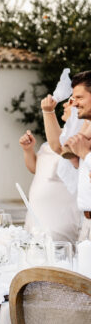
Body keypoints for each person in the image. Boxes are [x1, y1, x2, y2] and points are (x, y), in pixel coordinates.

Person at [63, 70, 91, 240]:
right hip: (86, 223)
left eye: (79, 98)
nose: (74, 104)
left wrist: (85, 154)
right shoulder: (87, 129)